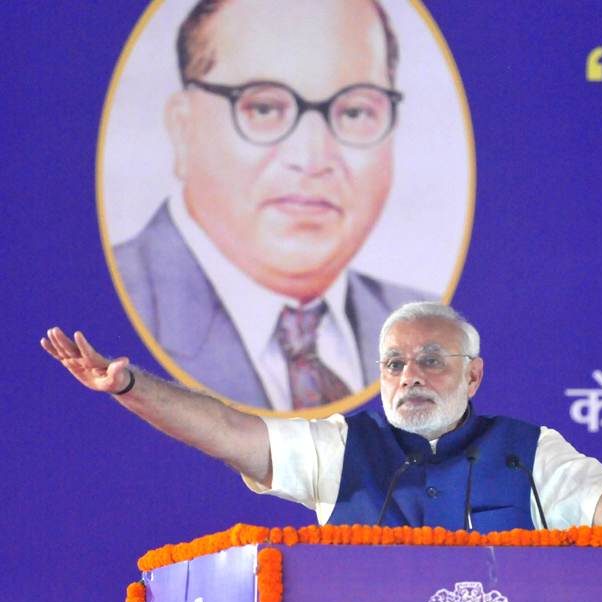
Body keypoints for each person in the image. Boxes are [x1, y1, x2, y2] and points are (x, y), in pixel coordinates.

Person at [41, 302, 602, 537]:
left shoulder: (527, 450)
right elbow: (225, 430)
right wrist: (128, 386)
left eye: (429, 360)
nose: (409, 375)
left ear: (473, 374)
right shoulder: (342, 446)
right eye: (393, 363)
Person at [113, 0, 433, 411]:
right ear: (182, 127)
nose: (313, 158)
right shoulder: (111, 314)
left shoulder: (427, 325)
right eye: (263, 108)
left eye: (355, 111)